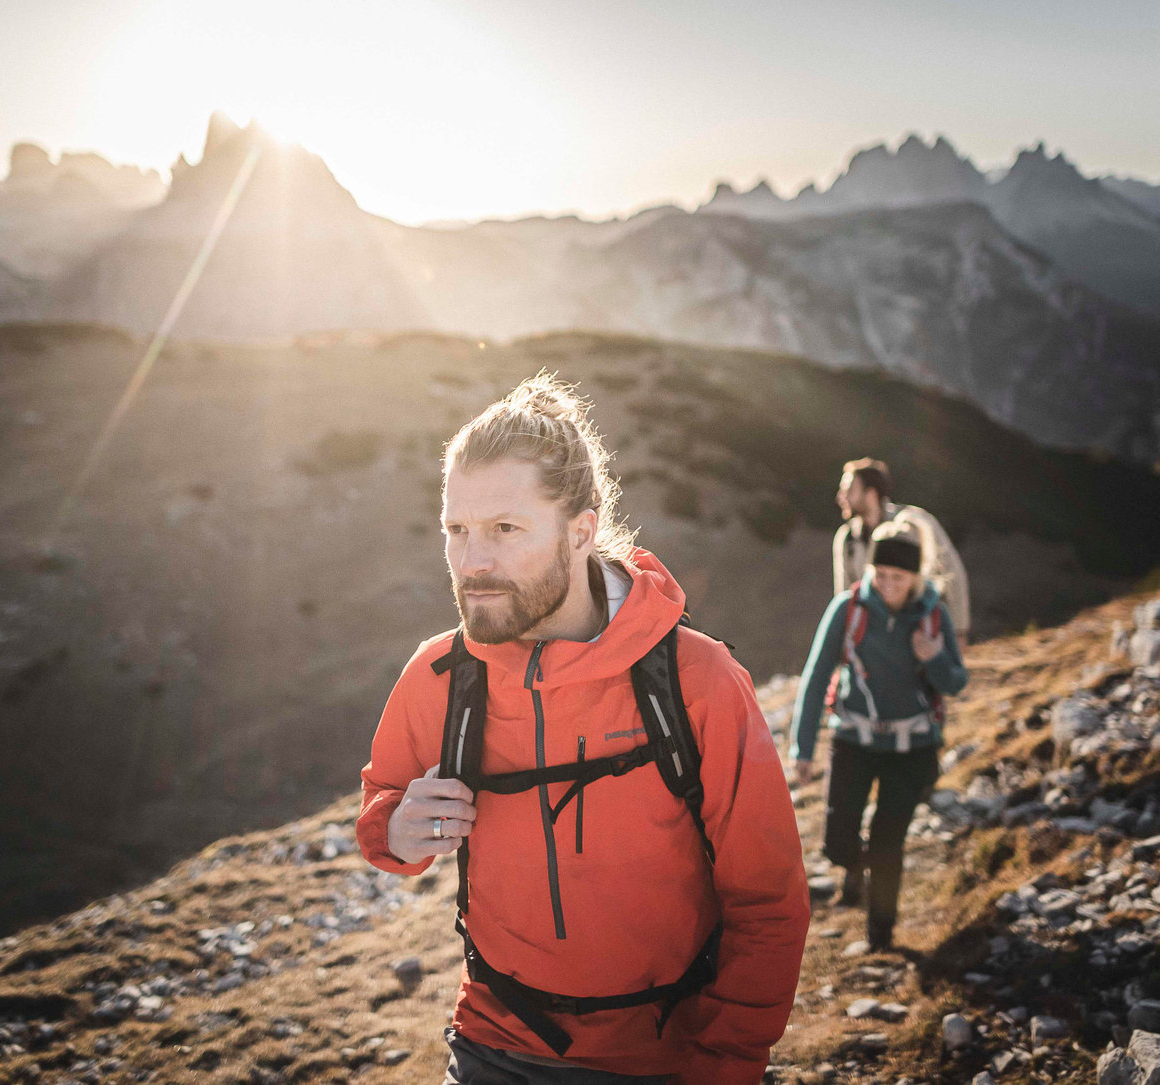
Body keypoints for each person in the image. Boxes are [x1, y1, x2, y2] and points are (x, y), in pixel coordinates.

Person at [357, 374, 810, 1084]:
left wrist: (725, 1065)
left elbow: (768, 899)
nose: (472, 561)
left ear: (581, 530)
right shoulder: (441, 675)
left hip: (664, 1059)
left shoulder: (698, 679)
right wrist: (394, 827)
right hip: (490, 1043)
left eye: (505, 529)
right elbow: (382, 803)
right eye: (457, 529)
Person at [790, 520, 968, 950]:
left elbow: (956, 682)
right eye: (880, 574)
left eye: (898, 577)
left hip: (913, 747)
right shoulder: (846, 609)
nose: (887, 584)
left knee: (889, 842)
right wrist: (803, 748)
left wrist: (935, 658)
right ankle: (852, 867)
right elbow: (816, 677)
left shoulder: (933, 615)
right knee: (837, 841)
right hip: (854, 740)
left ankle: (880, 936)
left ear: (916, 577)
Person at [832, 458, 971, 645]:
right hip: (875, 641)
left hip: (922, 633)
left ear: (871, 494)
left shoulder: (915, 523)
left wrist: (959, 629)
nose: (841, 497)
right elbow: (845, 594)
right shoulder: (846, 538)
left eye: (849, 490)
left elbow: (952, 572)